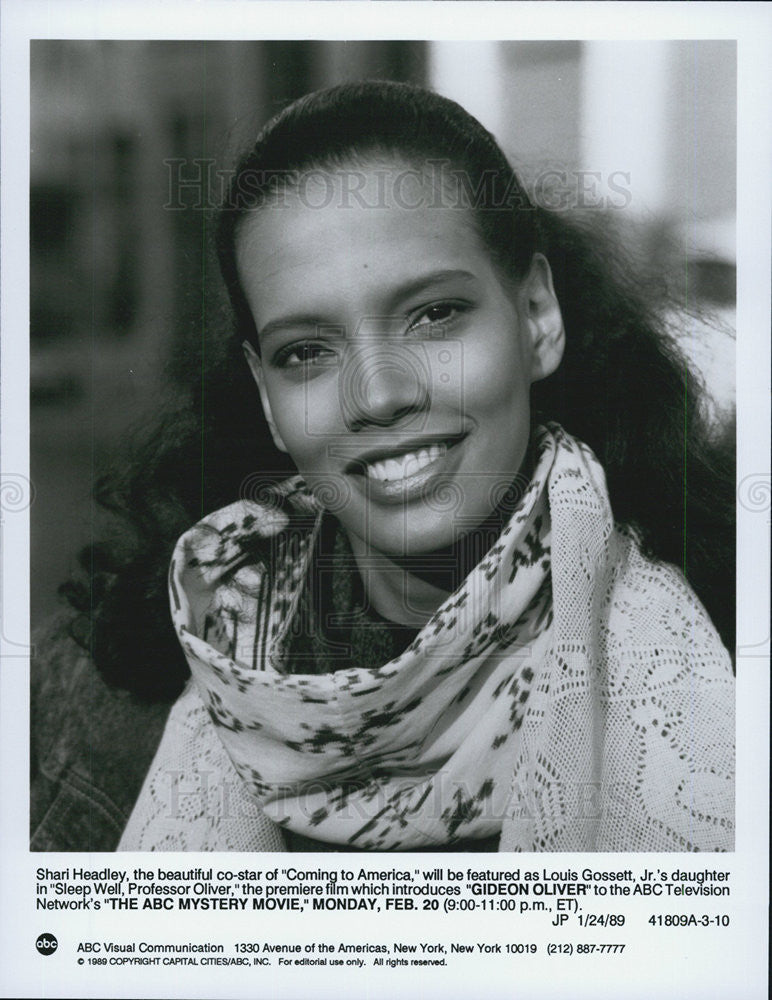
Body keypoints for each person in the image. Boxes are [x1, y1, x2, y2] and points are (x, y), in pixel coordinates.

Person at [31, 80, 734, 853]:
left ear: (537, 316)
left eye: (435, 314)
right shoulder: (105, 711)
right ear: (267, 395)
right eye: (307, 352)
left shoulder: (723, 670)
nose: (380, 394)